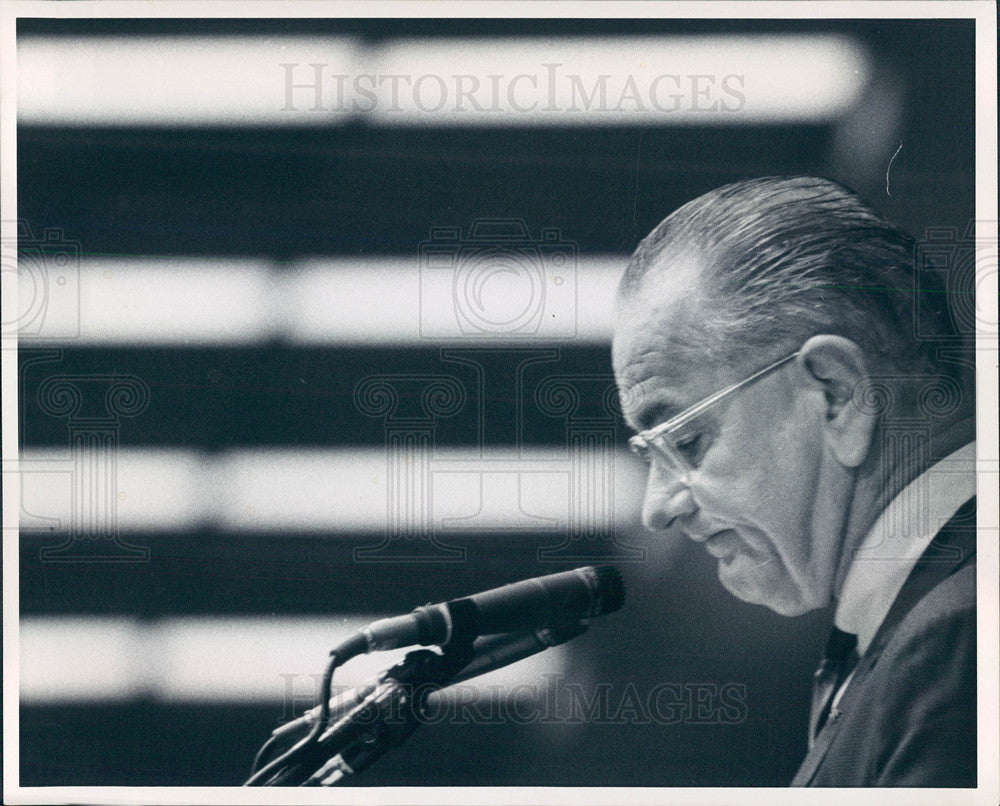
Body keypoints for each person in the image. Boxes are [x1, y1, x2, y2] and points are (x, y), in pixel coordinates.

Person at [612, 176, 976, 786]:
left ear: (837, 394)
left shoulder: (954, 641)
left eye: (687, 440)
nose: (657, 508)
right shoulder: (929, 634)